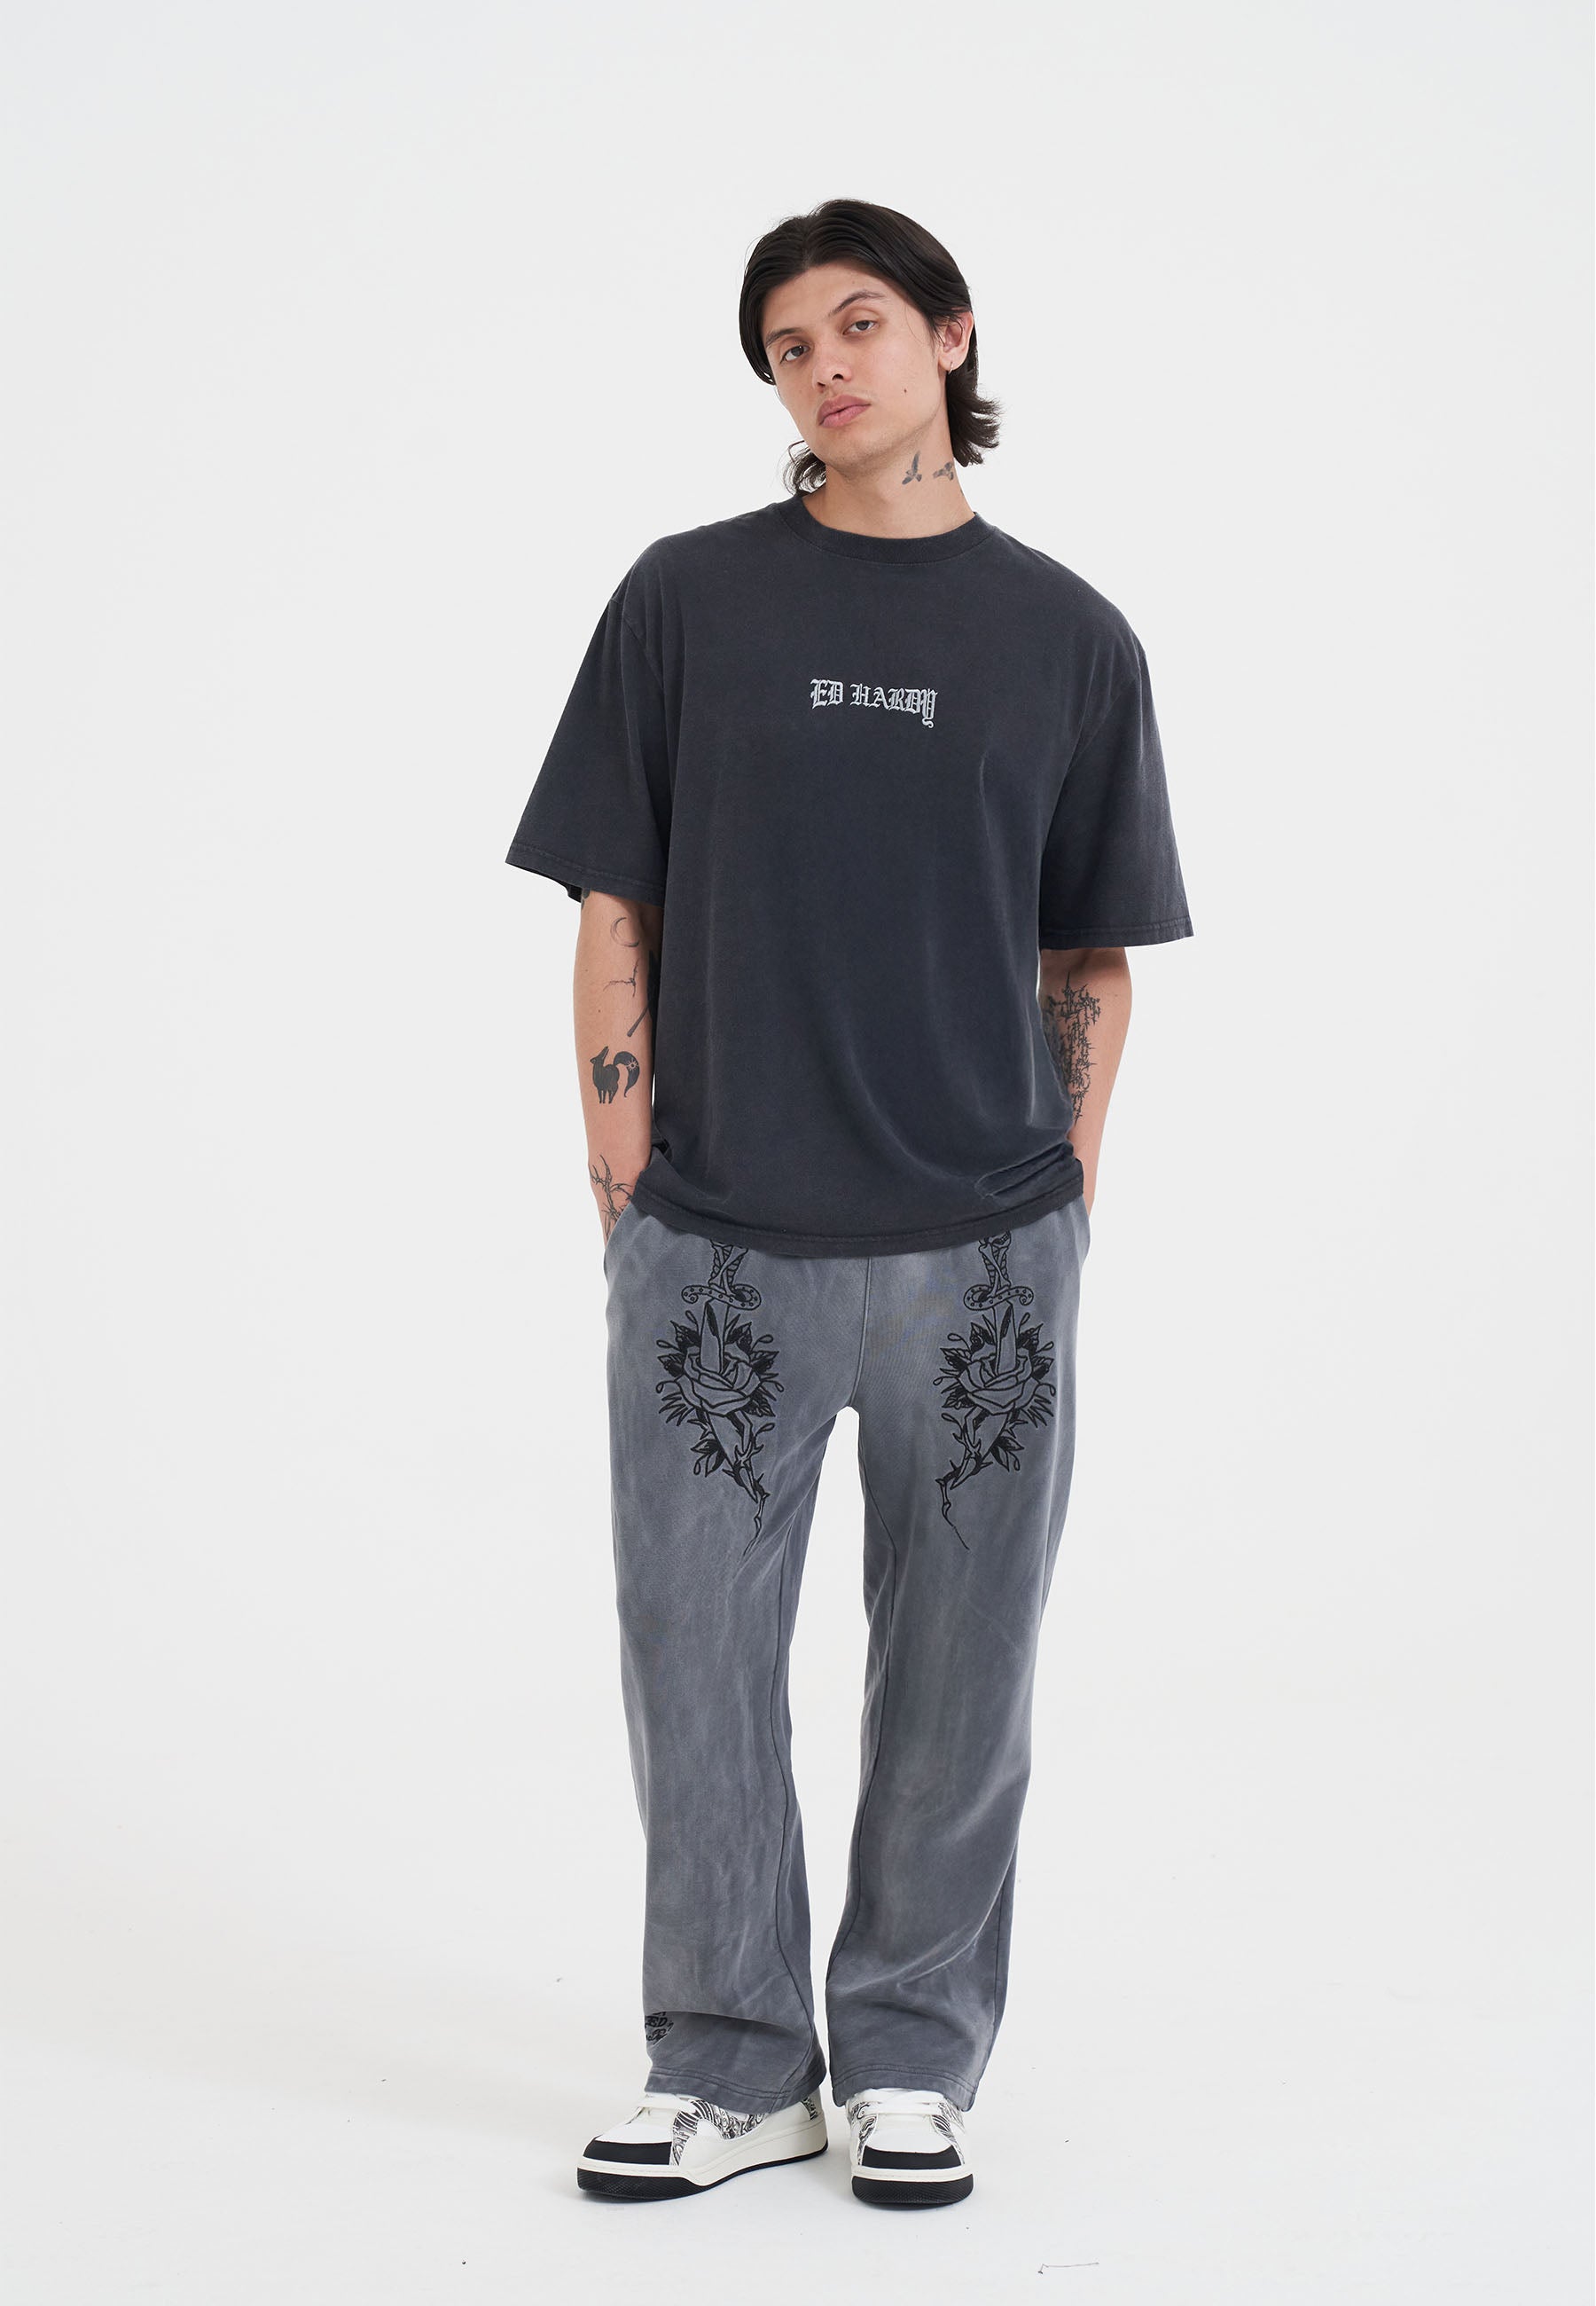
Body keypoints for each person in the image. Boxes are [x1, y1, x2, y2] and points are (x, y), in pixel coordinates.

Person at [505, 197, 1193, 2209]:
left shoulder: (1067, 636)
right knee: (694, 1658)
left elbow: (1092, 951)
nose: (826, 365)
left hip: (985, 1252)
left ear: (951, 337)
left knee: (965, 1671)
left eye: (862, 322)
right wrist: (625, 1185)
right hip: (718, 1243)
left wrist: (1061, 1205)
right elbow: (612, 904)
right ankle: (728, 2064)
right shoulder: (687, 600)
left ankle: (908, 2057)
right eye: (790, 343)